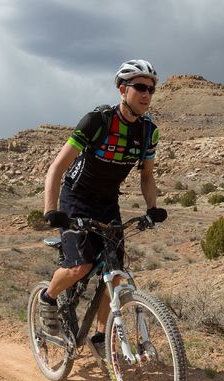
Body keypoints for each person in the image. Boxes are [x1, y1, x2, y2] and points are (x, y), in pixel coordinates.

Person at [39, 59, 168, 355]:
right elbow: (57, 167)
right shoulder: (97, 121)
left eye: (151, 89)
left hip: (108, 202)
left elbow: (147, 175)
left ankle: (100, 337)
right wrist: (51, 210)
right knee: (80, 267)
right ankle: (48, 298)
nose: (147, 94)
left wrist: (152, 208)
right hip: (76, 198)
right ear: (123, 90)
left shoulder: (149, 131)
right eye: (140, 88)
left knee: (116, 273)